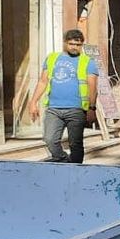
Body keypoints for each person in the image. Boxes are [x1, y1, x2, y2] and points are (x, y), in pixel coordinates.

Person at [27, 30, 99, 163]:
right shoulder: (52, 58)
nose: (74, 47)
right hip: (54, 108)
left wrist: (91, 108)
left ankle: (76, 171)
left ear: (82, 45)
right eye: (71, 44)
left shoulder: (88, 62)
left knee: (75, 144)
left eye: (78, 45)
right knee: (49, 139)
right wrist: (33, 102)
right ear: (65, 43)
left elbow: (92, 87)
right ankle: (63, 159)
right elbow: (43, 81)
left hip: (76, 109)